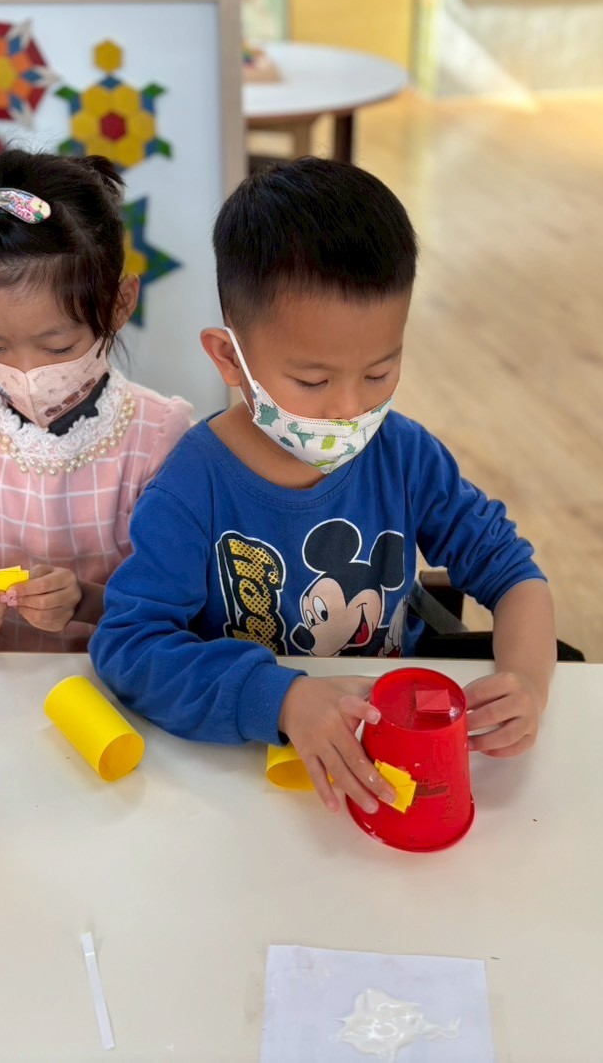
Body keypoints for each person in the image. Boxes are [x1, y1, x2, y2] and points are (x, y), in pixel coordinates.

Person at [90, 158, 556, 817]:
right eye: (312, 381)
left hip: (388, 751)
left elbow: (513, 574)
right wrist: (280, 697)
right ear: (229, 359)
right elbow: (130, 646)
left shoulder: (404, 454)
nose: (348, 407)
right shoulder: (192, 487)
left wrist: (527, 683)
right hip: (243, 780)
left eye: (379, 372)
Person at [0, 149, 192, 651]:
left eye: (57, 348)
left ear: (120, 305)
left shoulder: (160, 435)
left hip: (117, 679)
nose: (27, 373)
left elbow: (180, 601)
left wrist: (86, 603)